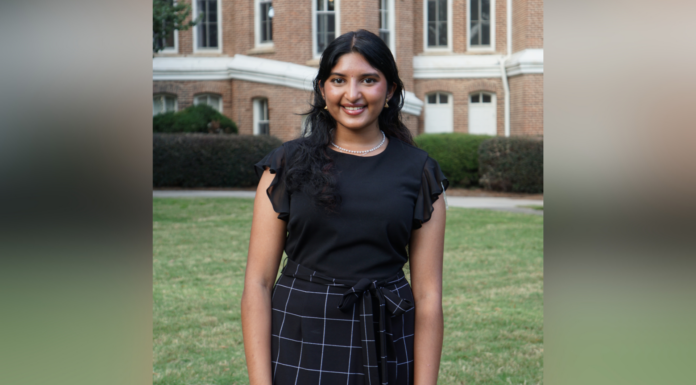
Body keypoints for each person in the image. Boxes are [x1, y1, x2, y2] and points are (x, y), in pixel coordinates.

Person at [242, 29, 448, 385]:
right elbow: (257, 284)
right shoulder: (287, 164)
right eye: (339, 80)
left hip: (387, 333)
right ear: (323, 89)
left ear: (391, 90)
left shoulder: (420, 172)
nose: (352, 94)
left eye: (369, 80)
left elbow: (429, 297)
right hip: (302, 335)